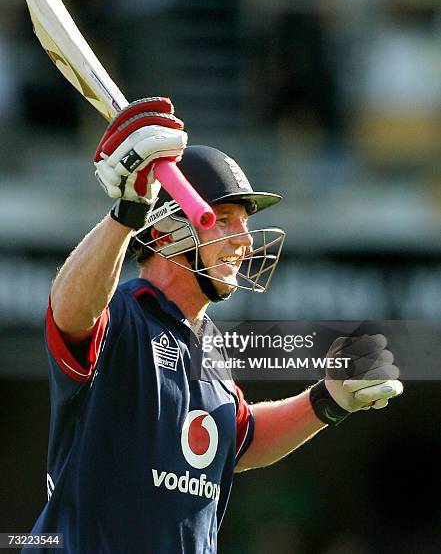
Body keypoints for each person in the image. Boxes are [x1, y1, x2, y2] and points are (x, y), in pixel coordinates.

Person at [26, 98, 403, 553]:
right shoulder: (124, 315)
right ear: (167, 233)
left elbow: (238, 439)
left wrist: (325, 399)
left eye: (244, 225)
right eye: (224, 221)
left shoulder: (208, 345)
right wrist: (126, 215)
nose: (244, 241)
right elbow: (68, 313)